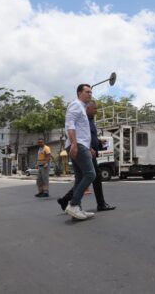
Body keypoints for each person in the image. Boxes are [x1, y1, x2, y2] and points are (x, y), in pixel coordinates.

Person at [57, 101, 116, 212]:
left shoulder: (90, 121)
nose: (96, 111)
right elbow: (80, 135)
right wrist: (89, 148)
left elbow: (89, 136)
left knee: (84, 178)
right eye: (94, 109)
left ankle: (67, 200)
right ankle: (79, 203)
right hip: (86, 151)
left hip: (88, 150)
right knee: (92, 175)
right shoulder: (83, 120)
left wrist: (98, 142)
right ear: (87, 109)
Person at [64, 84, 97, 220]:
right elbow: (69, 125)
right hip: (77, 145)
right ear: (79, 93)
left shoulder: (82, 107)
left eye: (91, 92)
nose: (90, 94)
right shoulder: (76, 105)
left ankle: (77, 210)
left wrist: (89, 148)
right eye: (87, 92)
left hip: (82, 145)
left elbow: (81, 130)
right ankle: (73, 204)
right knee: (90, 174)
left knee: (80, 178)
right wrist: (74, 144)